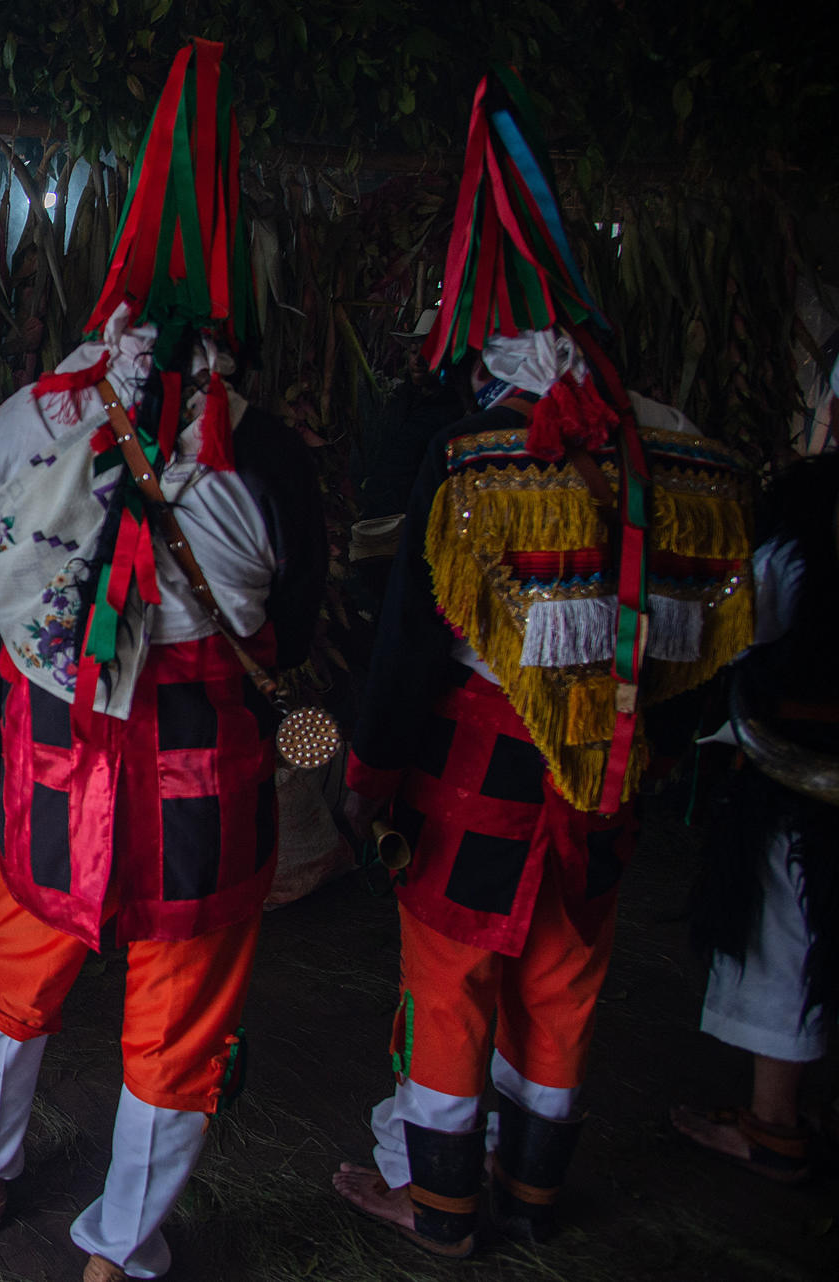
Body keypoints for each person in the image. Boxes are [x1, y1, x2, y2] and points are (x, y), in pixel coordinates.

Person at [331, 69, 755, 1257]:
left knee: (453, 978)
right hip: (610, 774)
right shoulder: (676, 452)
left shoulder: (475, 457)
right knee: (566, 984)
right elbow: (714, 623)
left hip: (480, 766)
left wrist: (367, 768)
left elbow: (415, 644)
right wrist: (663, 736)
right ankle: (530, 1195)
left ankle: (443, 1209)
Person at [0, 41, 326, 1282]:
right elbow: (298, 628)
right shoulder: (270, 460)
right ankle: (120, 1246)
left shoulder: (25, 420)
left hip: (58, 762)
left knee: (15, 964)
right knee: (179, 1019)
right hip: (206, 783)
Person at [671, 454, 839, 1185]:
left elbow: (739, 626)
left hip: (804, 777)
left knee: (786, 935)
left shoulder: (806, 528)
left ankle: (775, 1126)